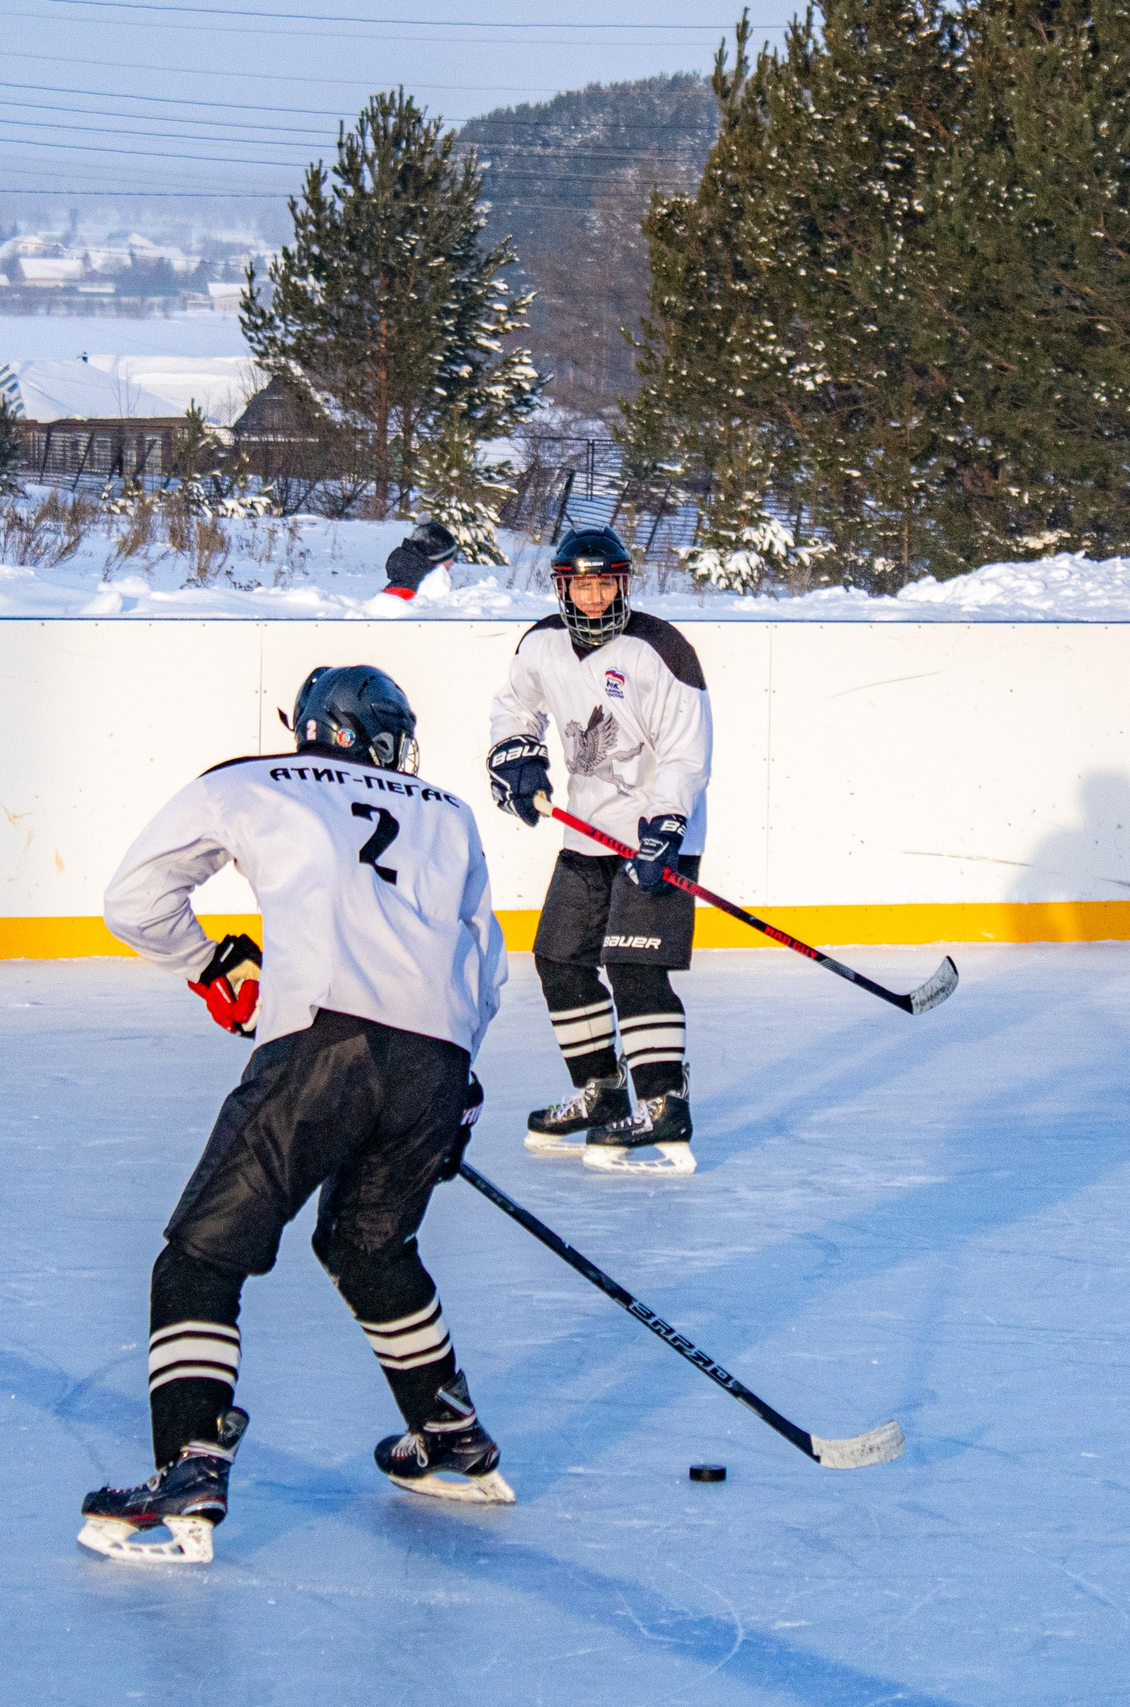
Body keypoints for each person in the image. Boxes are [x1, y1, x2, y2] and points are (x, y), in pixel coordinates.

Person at [84, 665, 510, 1566]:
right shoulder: (450, 811)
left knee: (201, 1257)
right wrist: (457, 1083)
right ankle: (449, 1434)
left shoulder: (256, 777)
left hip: (323, 1043)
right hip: (436, 1056)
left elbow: (135, 900)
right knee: (368, 1246)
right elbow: (484, 959)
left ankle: (190, 1466)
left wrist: (209, 961)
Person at [487, 526, 713, 1175]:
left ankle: (664, 1104)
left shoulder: (662, 650)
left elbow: (686, 753)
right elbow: (514, 709)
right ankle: (602, 1090)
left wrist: (665, 823)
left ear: (622, 583)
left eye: (604, 582)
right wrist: (516, 757)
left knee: (634, 965)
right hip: (586, 832)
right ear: (562, 587)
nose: (592, 596)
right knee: (558, 959)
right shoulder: (540, 645)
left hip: (656, 834)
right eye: (580, 584)